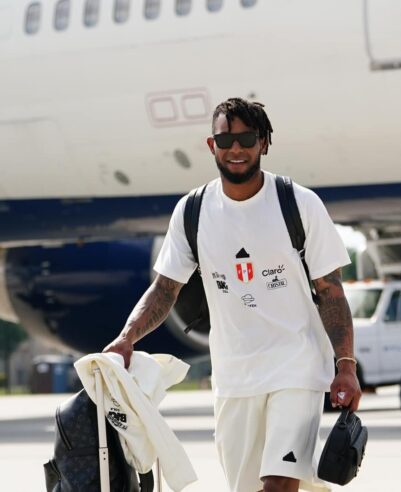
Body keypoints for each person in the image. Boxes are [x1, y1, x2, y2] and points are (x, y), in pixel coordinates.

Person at [104, 98, 361, 492]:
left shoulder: (299, 204)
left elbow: (330, 291)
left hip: (297, 365)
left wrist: (345, 364)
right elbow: (165, 288)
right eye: (226, 139)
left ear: (263, 143)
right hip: (234, 376)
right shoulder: (193, 211)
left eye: (246, 138)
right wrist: (127, 338)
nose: (236, 148)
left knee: (278, 484)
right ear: (212, 145)